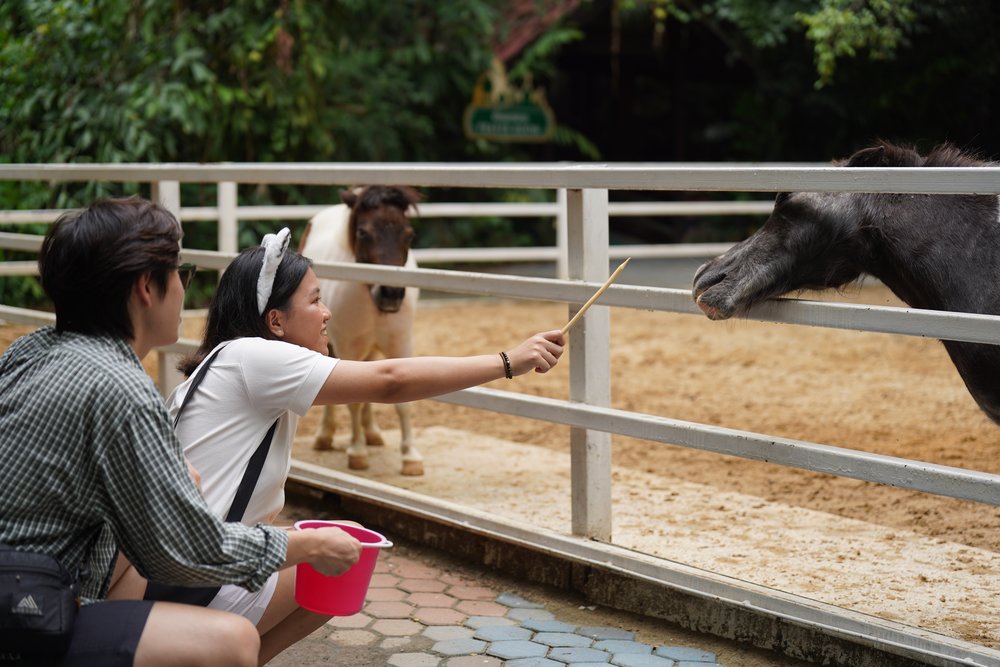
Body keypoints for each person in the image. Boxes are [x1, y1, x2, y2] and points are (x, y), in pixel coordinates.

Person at [108, 227, 565, 660]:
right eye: (315, 300)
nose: (327, 313)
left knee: (340, 548)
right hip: (181, 579)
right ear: (276, 321)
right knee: (339, 553)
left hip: (173, 568)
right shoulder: (255, 355)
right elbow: (390, 380)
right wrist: (507, 361)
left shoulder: (229, 360)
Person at [0, 197, 364, 667]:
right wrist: (310, 543)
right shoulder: (122, 388)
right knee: (230, 642)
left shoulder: (29, 351)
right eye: (179, 274)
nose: (184, 289)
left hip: (27, 582)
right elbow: (183, 551)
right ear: (145, 288)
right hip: (29, 608)